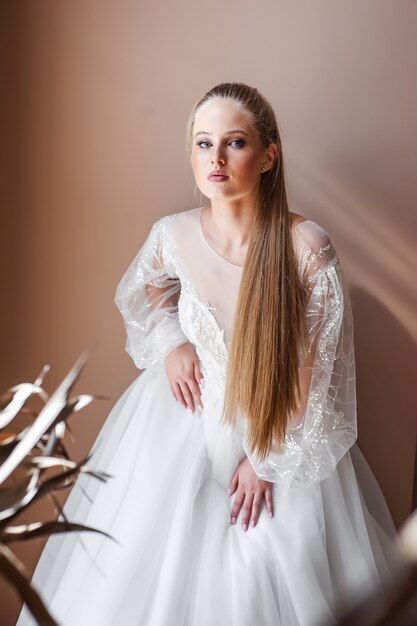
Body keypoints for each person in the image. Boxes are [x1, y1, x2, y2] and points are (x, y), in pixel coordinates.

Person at [16, 82, 406, 626]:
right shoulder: (172, 235)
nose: (215, 158)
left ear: (269, 155)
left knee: (262, 566)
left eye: (235, 142)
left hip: (276, 426)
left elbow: (312, 381)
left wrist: (265, 462)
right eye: (203, 144)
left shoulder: (307, 249)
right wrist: (172, 341)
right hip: (183, 418)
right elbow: (148, 290)